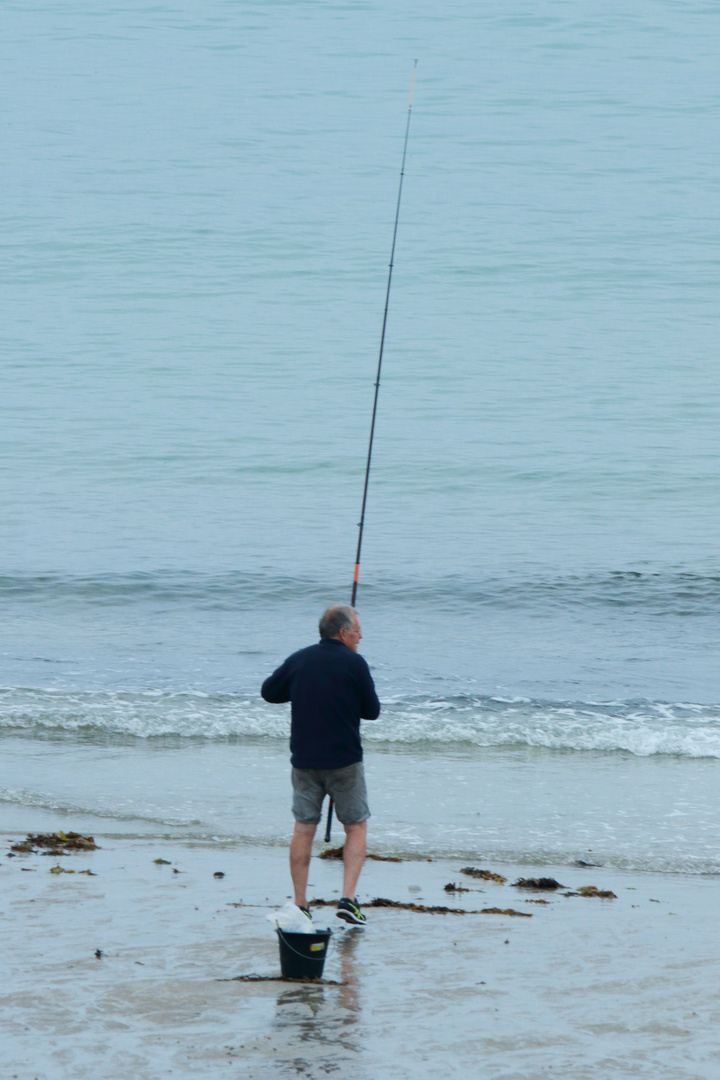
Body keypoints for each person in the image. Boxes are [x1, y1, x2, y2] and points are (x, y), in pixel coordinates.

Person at [261, 605, 380, 926]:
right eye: (357, 631)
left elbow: (269, 692)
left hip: (305, 760)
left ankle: (301, 904)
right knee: (355, 827)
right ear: (343, 633)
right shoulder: (355, 663)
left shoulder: (300, 659)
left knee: (303, 828)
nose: (361, 636)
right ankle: (348, 899)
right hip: (345, 761)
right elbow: (372, 711)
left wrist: (302, 688)